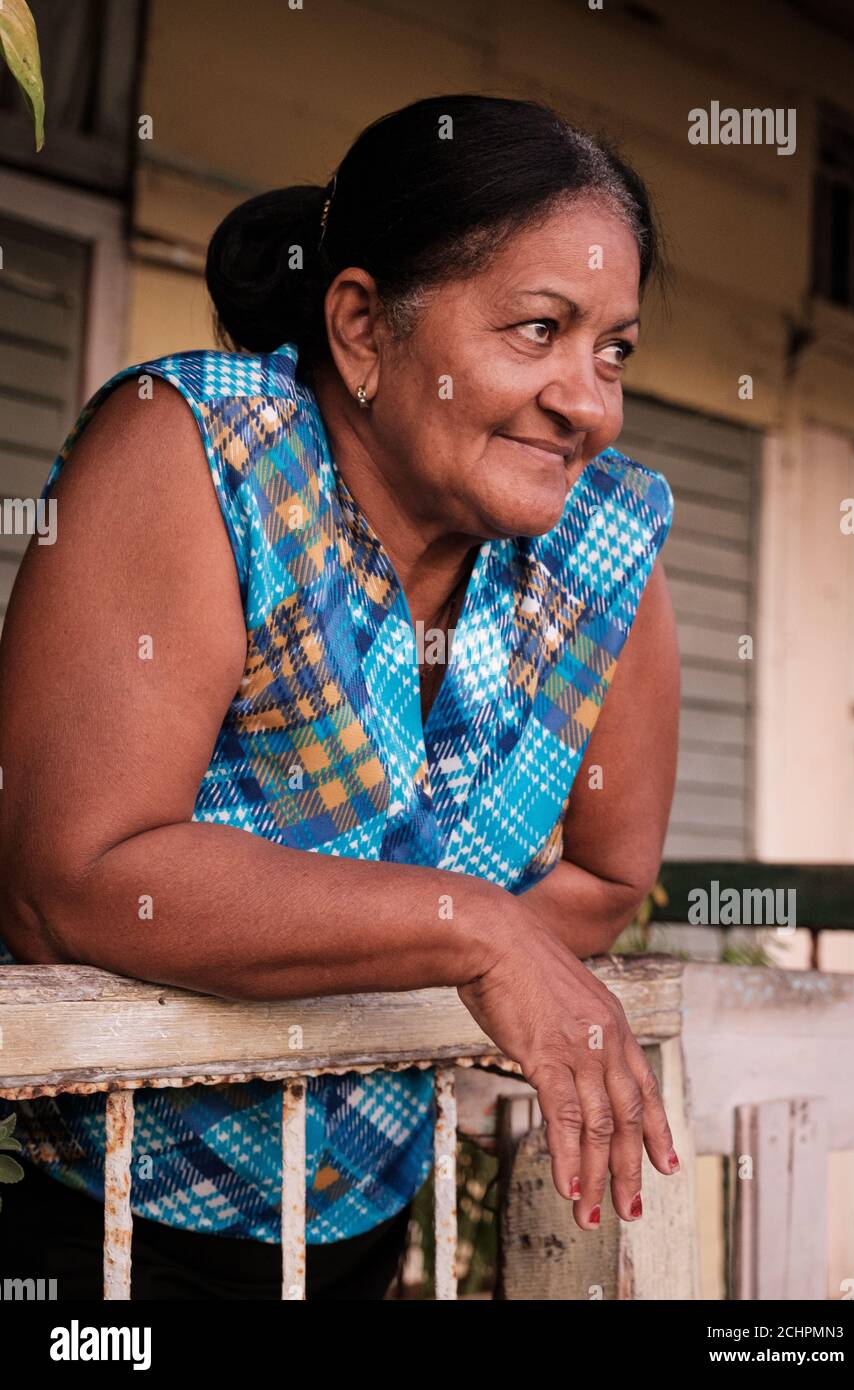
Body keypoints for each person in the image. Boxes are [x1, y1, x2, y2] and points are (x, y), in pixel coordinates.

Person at [0, 93, 681, 1300]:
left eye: (613, 348)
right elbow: (77, 880)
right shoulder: (207, 447)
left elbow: (610, 878)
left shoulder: (603, 541)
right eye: (539, 330)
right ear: (363, 328)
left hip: (363, 1228)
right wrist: (469, 928)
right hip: (84, 1221)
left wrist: (441, 944)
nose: (591, 401)